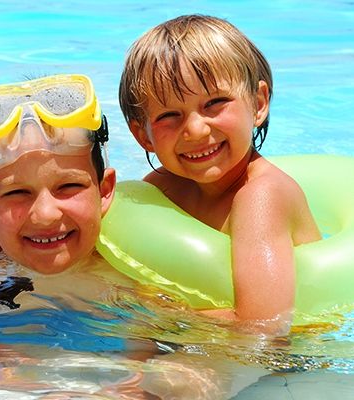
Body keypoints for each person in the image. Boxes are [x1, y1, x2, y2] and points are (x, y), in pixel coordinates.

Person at [0, 74, 261, 398]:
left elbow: (224, 345)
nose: (45, 214)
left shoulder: (133, 273)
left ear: (105, 191)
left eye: (68, 186)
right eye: (17, 193)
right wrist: (33, 387)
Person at [118, 15, 321, 332]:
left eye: (215, 103)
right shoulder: (163, 189)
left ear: (258, 103)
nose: (196, 130)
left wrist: (160, 313)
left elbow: (264, 327)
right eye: (169, 115)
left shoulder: (261, 196)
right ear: (143, 135)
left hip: (289, 354)